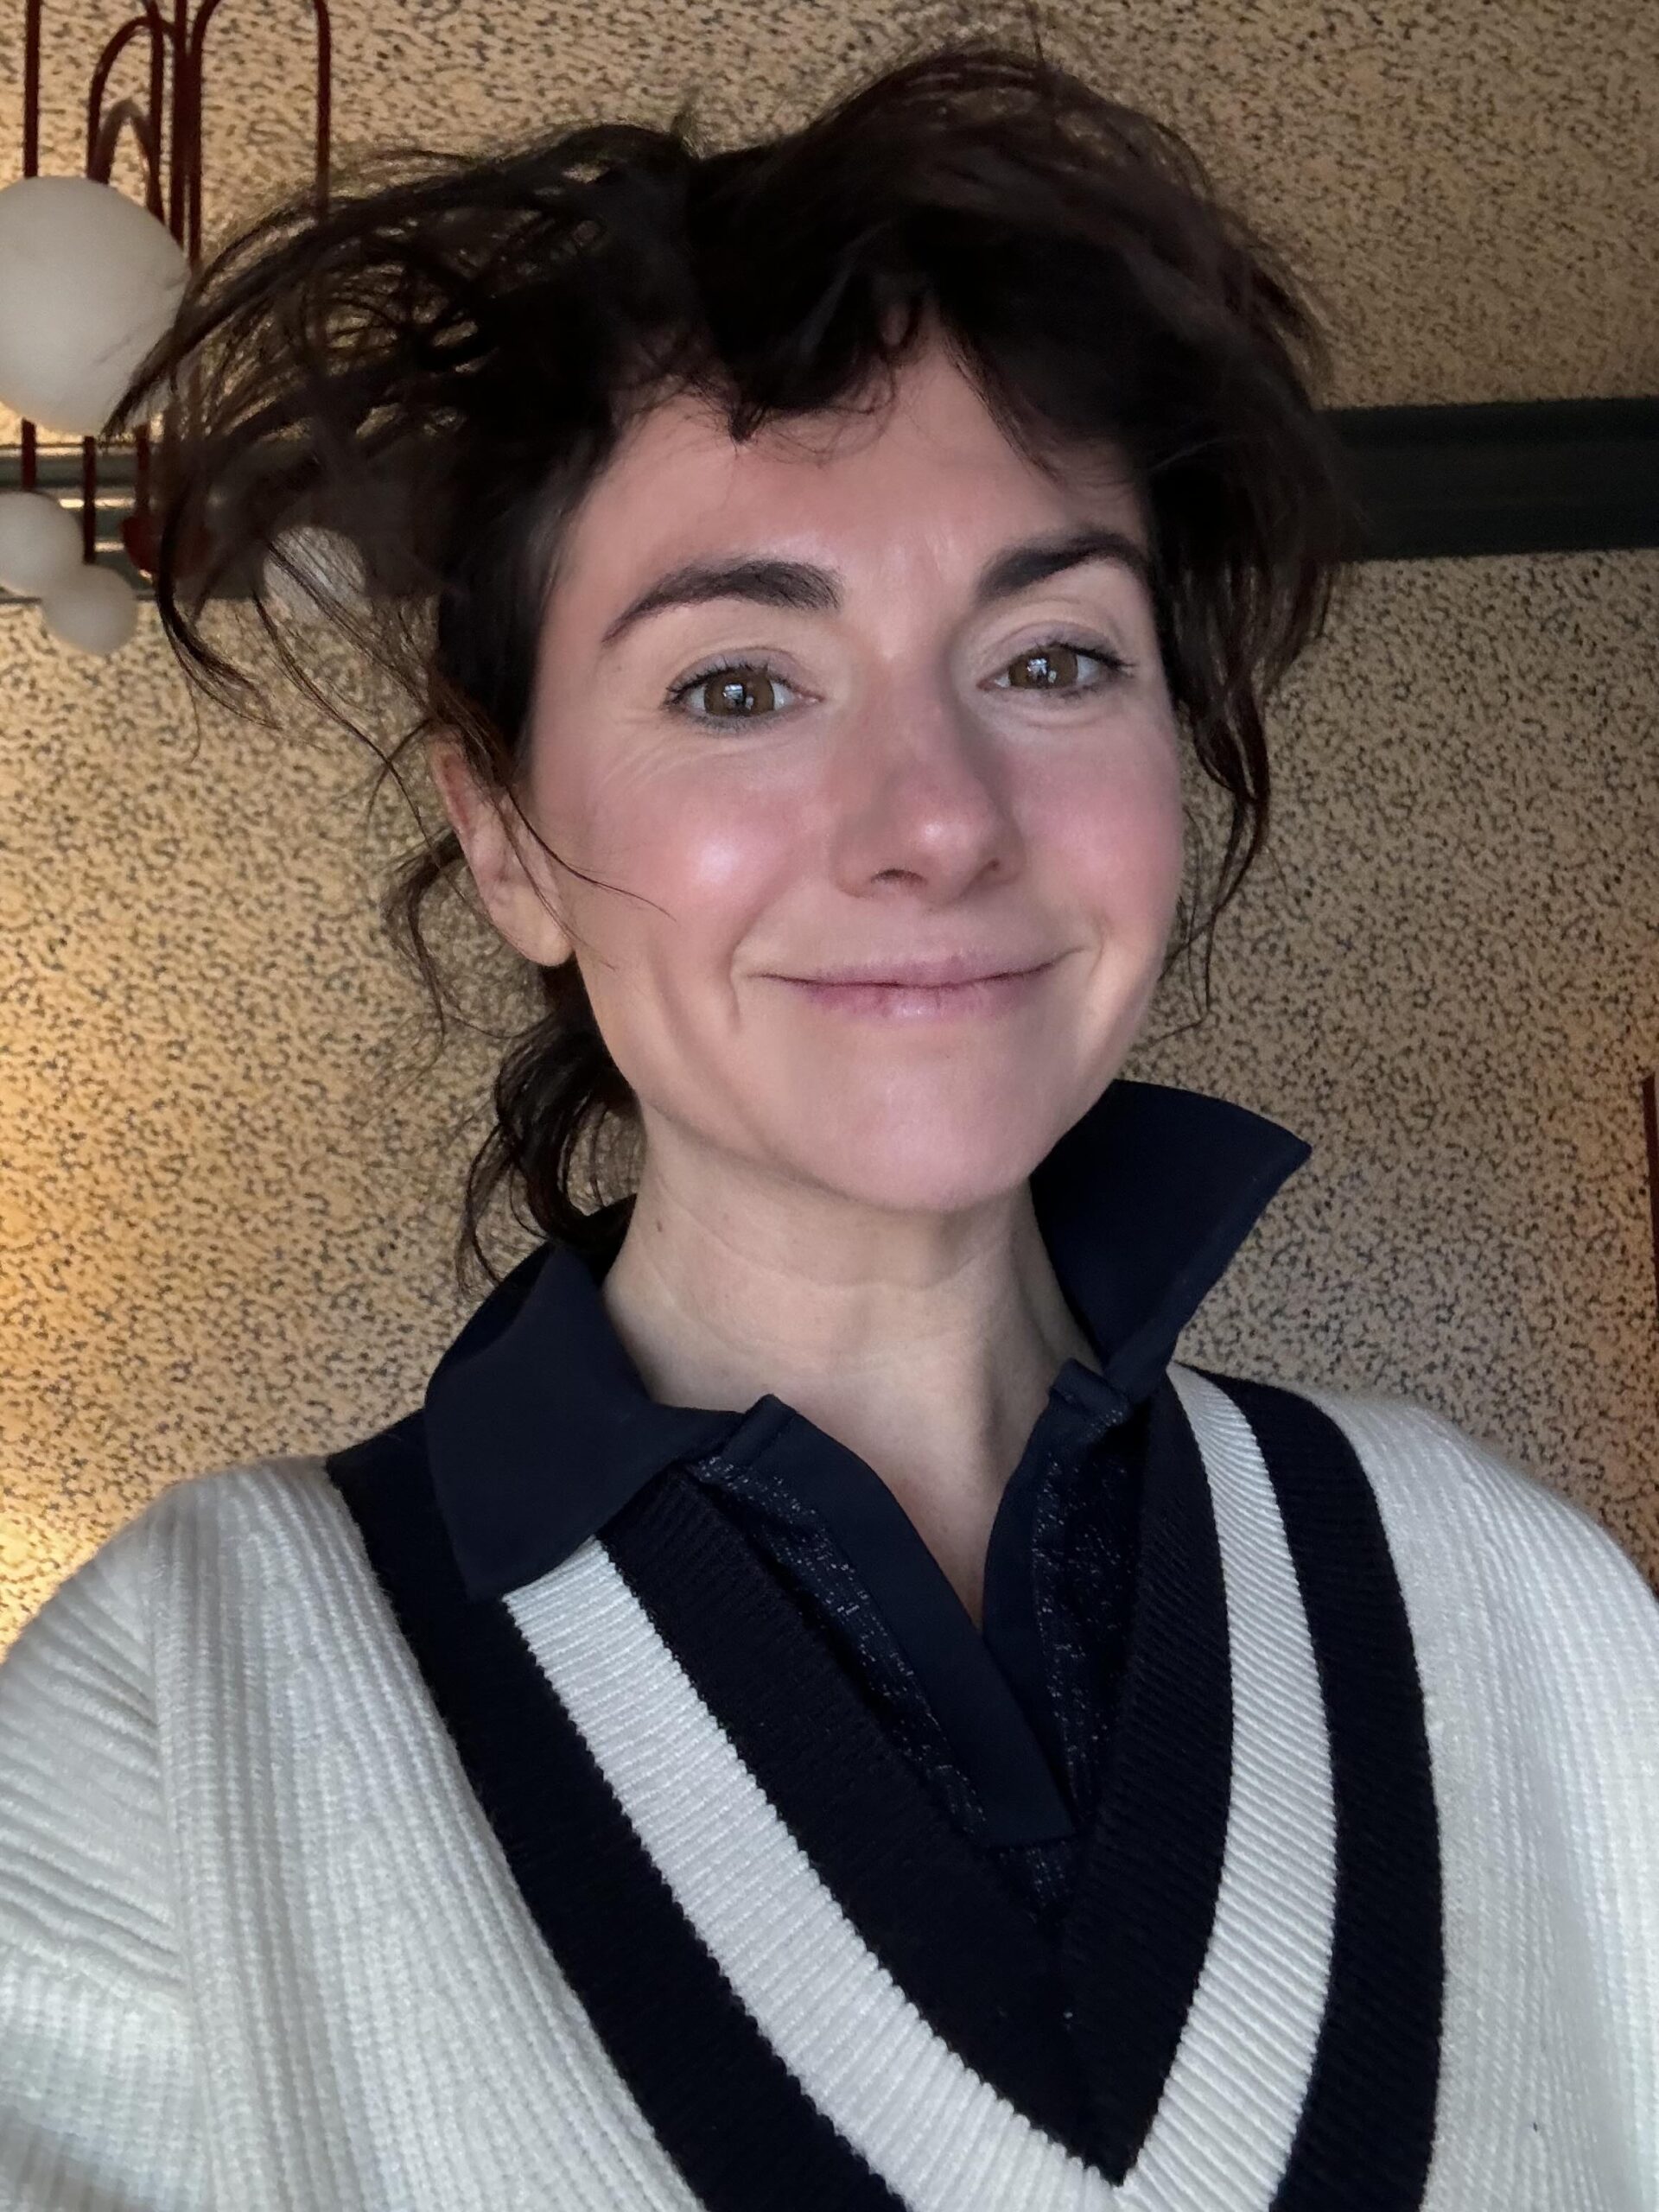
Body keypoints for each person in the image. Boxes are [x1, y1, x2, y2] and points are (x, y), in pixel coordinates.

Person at [3, 32, 1656, 2212]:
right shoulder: (168, 1718)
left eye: (1054, 658)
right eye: (737, 684)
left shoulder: (1525, 1606)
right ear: (501, 829)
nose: (937, 821)